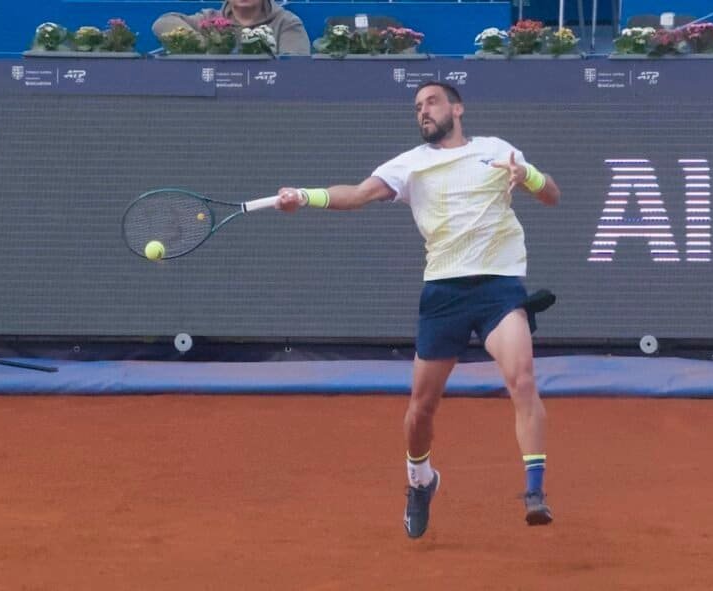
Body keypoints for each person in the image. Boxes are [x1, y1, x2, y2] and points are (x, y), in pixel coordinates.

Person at [275, 81, 561, 538]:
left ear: (457, 108)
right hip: (443, 295)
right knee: (420, 411)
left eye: (431, 102)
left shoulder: (496, 150)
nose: (423, 112)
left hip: (499, 288)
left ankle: (534, 493)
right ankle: (420, 480)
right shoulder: (409, 165)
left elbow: (551, 194)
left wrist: (526, 175)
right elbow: (356, 194)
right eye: (417, 107)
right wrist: (304, 196)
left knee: (523, 379)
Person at [152, 0, 310, 56]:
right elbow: (163, 23)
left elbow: (295, 70)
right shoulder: (210, 19)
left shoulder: (287, 23)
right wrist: (205, 45)